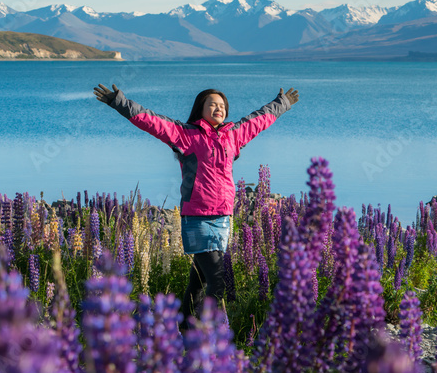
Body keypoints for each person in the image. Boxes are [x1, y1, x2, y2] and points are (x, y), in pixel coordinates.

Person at [93, 82, 299, 328]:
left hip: (223, 219)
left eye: (222, 105)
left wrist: (282, 104)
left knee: (199, 283)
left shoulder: (232, 135)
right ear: (200, 109)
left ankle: (182, 332)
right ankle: (205, 338)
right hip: (198, 219)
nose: (218, 108)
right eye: (212, 104)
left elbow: (258, 120)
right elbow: (151, 121)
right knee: (219, 281)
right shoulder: (186, 135)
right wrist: (119, 102)